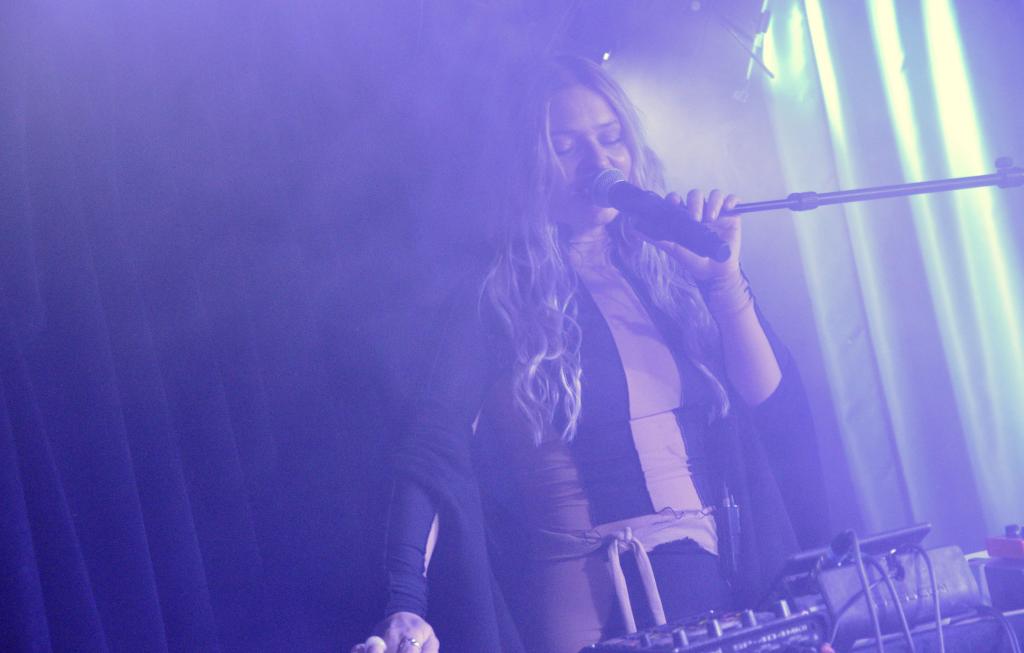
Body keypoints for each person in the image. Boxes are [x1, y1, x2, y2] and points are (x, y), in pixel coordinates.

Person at [352, 55, 826, 653]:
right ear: (528, 166)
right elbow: (432, 455)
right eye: (567, 146)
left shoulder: (672, 272)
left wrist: (724, 282)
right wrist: (404, 604)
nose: (599, 161)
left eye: (611, 138)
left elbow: (774, 410)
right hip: (584, 597)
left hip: (714, 583)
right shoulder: (494, 295)